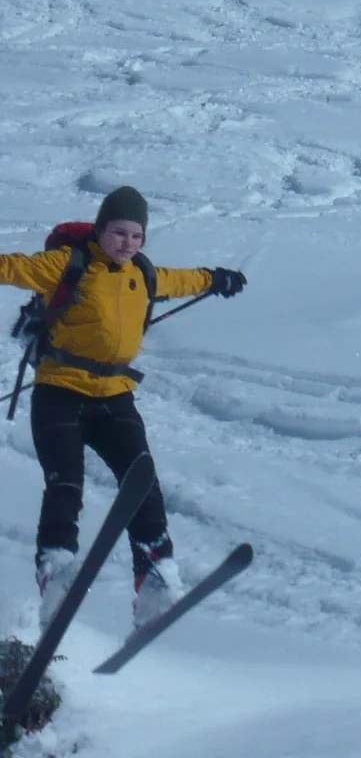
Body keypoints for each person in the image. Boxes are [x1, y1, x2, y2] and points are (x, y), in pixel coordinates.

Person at [0, 187, 246, 630]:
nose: (127, 243)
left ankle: (154, 577)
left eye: (136, 235)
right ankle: (56, 571)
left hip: (114, 395)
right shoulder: (67, 264)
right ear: (100, 230)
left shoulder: (143, 273)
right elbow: (12, 267)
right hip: (59, 390)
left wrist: (216, 278)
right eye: (118, 232)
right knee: (65, 483)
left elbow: (182, 279)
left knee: (142, 483)